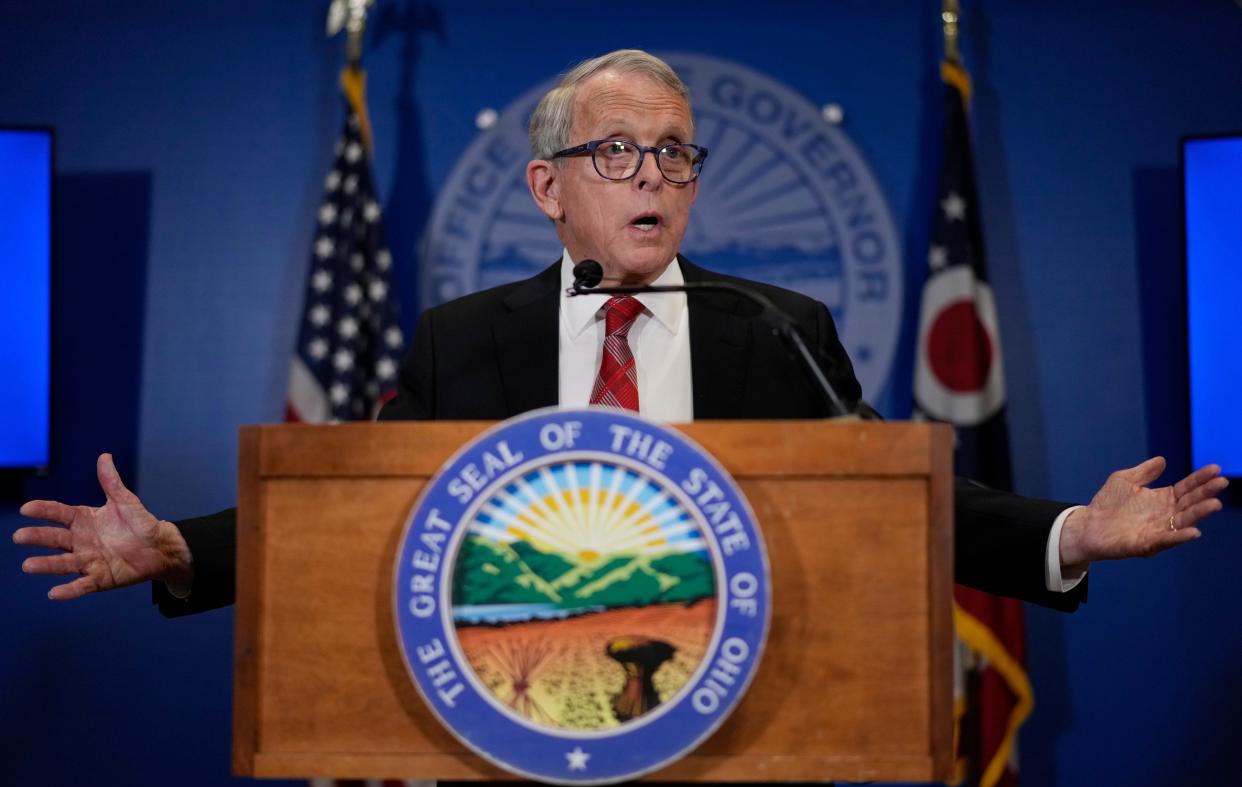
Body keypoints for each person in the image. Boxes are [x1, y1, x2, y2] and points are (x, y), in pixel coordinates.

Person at [13, 49, 1228, 620]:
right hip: (517, 738)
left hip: (752, 751)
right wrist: (182, 550)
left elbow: (900, 499)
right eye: (618, 151)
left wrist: (1074, 529)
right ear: (550, 188)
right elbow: (362, 514)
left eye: (676, 153)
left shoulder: (777, 329)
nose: (655, 175)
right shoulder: (464, 341)